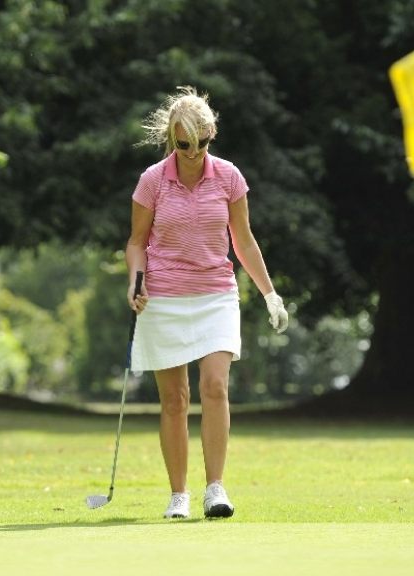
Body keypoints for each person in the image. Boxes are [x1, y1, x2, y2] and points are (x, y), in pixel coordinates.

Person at [126, 86, 289, 519]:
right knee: (175, 400)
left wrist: (269, 293)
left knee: (215, 386)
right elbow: (136, 243)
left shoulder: (229, 178)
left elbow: (243, 241)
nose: (194, 152)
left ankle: (215, 489)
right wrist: (135, 281)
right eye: (184, 144)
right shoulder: (152, 181)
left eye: (202, 142)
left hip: (216, 294)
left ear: (211, 135)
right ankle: (178, 494)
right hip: (164, 296)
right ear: (172, 139)